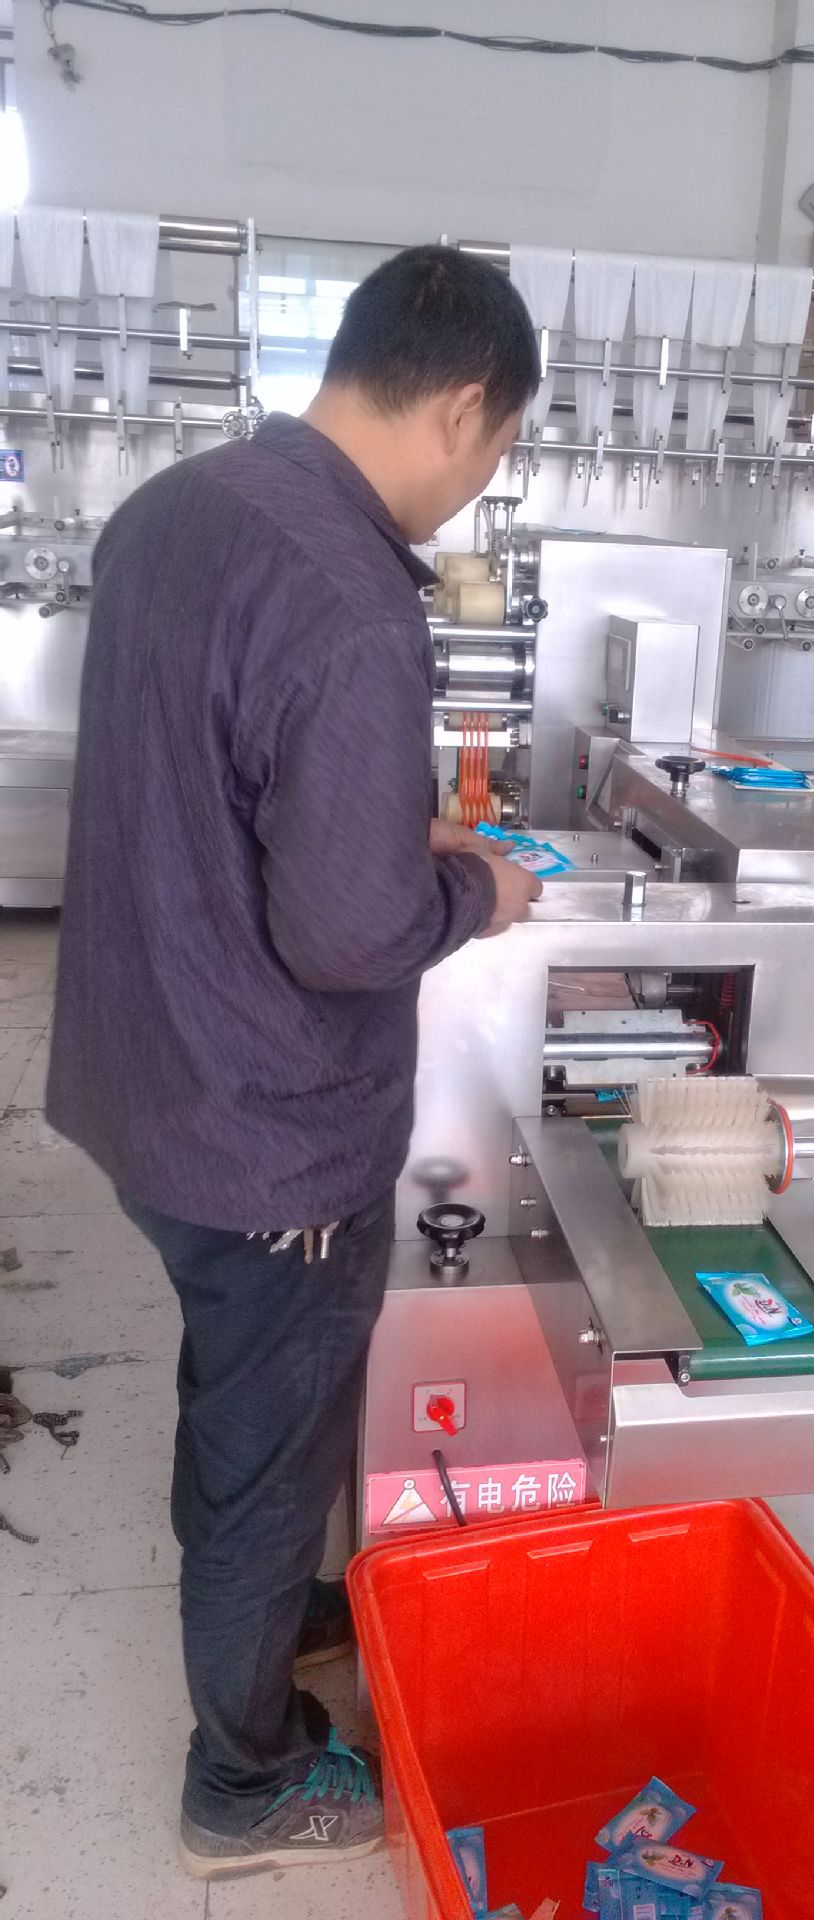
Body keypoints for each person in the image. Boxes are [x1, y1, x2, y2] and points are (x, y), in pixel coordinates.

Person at [46, 245, 542, 1879]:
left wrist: (379, 832)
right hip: (266, 1129)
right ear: (461, 407)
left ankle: (264, 1603)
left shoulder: (175, 513)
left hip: (146, 1077)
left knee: (237, 1387)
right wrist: (471, 891)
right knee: (274, 1439)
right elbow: (344, 936)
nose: (482, 484)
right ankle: (243, 1779)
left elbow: (211, 778)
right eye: (500, 450)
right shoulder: (351, 596)